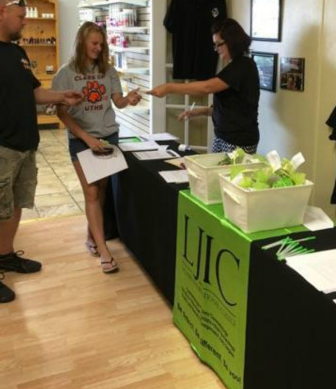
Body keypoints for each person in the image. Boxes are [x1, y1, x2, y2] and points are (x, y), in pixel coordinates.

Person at [0, 0, 83, 304]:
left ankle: (5, 256)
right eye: (21, 17)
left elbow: (34, 93)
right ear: (0, 12)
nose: (25, 22)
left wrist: (62, 96)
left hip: (25, 146)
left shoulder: (17, 52)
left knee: (16, 204)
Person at [53, 22, 143, 274]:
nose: (98, 48)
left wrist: (129, 100)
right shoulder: (65, 73)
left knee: (101, 189)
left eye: (101, 44)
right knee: (92, 192)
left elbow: (118, 102)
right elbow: (62, 113)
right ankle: (105, 252)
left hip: (108, 137)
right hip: (81, 140)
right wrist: (86, 138)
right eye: (94, 43)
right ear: (81, 42)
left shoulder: (108, 70)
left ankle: (92, 235)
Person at [148, 19, 260, 153]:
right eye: (215, 45)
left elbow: (207, 87)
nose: (216, 49)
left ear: (232, 41)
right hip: (223, 137)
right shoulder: (234, 66)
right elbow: (230, 108)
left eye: (219, 44)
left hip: (239, 140)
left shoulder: (243, 66)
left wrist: (169, 88)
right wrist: (199, 112)